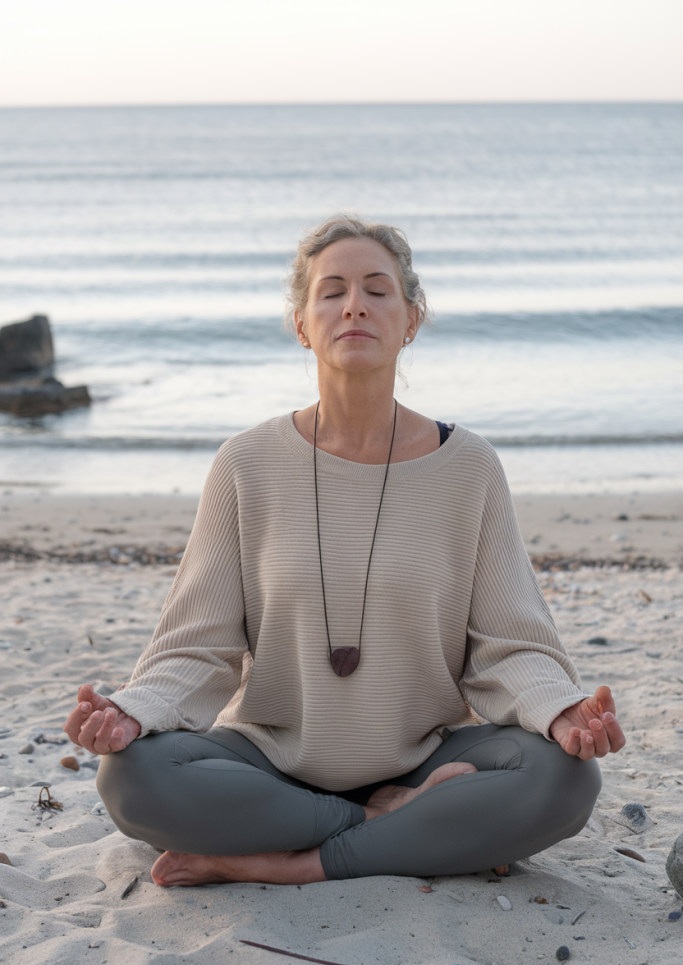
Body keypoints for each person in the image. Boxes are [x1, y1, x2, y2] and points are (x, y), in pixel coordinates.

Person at [63, 214, 624, 889]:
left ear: (410, 320)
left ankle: (293, 863)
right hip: (267, 759)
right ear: (302, 323)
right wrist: (133, 711)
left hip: (427, 754)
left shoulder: (468, 466)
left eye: (376, 289)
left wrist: (560, 711)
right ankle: (402, 826)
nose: (353, 303)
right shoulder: (245, 464)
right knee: (134, 779)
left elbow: (509, 643)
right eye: (331, 291)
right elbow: (197, 647)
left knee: (563, 779)